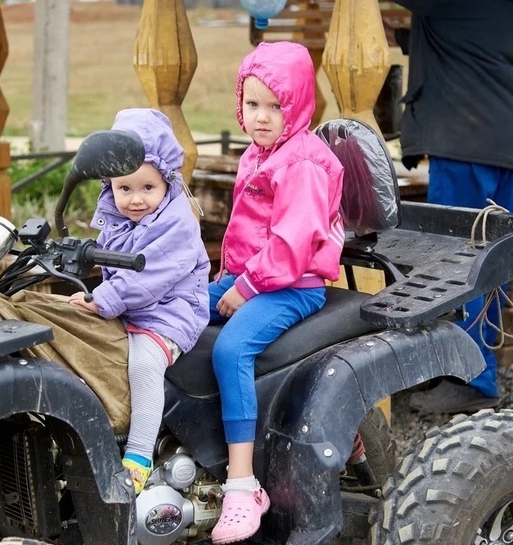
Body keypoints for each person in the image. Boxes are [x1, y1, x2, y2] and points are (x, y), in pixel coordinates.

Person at [208, 41, 345, 545]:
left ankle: (243, 486)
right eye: (252, 104)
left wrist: (245, 287)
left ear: (299, 105)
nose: (261, 117)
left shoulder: (302, 163)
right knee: (173, 310)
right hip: (251, 278)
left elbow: (292, 245)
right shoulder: (262, 151)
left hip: (292, 285)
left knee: (230, 349)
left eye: (275, 106)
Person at [376, 0, 513, 414]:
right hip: (500, 136)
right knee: (491, 256)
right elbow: (469, 32)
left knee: (460, 262)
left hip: (465, 138)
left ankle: (473, 381)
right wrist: (410, 36)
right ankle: (479, 370)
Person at [68, 108, 210, 494]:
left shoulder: (178, 222)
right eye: (124, 188)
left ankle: (138, 456)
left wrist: (105, 300)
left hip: (170, 313)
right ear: (108, 184)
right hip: (131, 307)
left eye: (147, 188)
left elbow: (150, 276)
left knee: (144, 365)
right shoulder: (115, 215)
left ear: (166, 180)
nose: (134, 199)